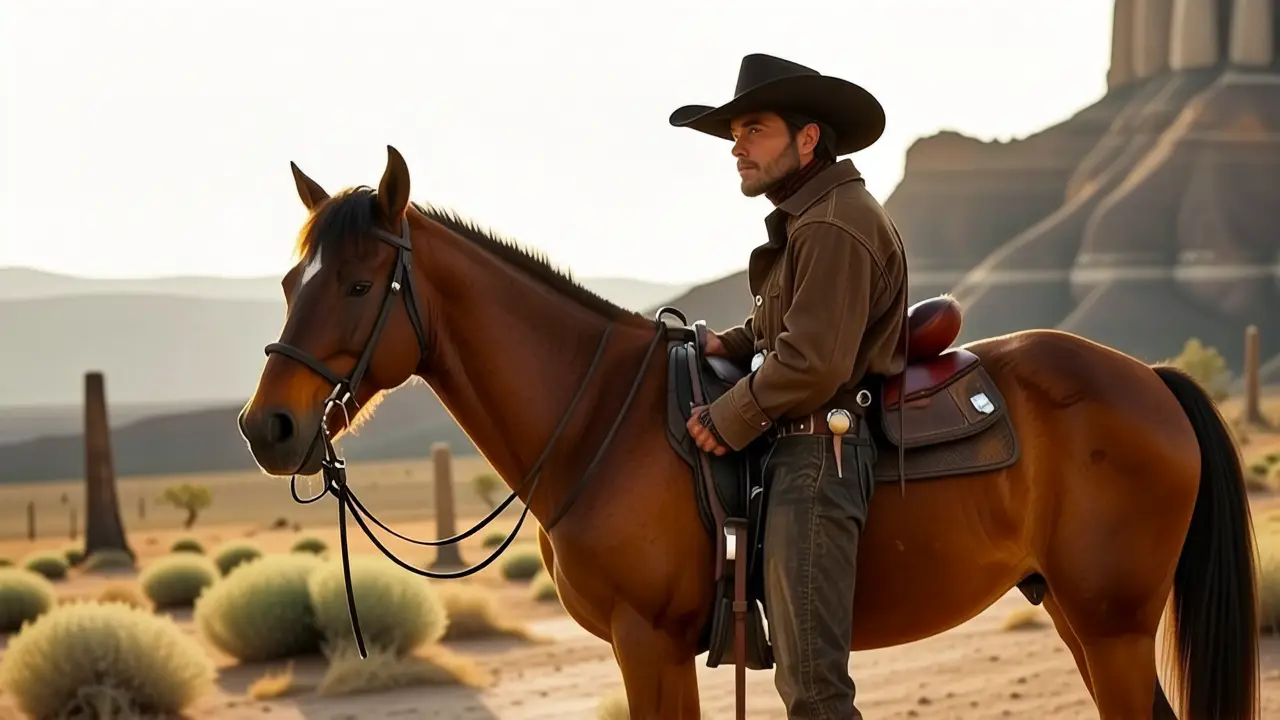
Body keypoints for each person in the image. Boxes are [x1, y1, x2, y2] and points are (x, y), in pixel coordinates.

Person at [673, 53, 909, 719]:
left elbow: (813, 362)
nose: (737, 150)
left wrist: (729, 416)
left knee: (813, 691)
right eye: (734, 136)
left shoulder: (834, 222)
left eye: (754, 130)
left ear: (808, 139)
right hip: (803, 437)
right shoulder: (818, 214)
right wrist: (733, 343)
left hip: (819, 453)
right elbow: (793, 318)